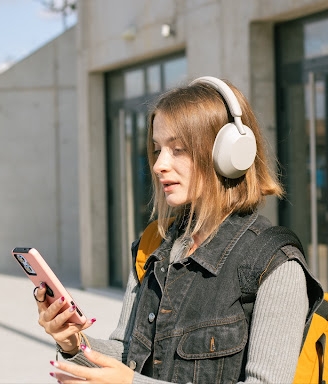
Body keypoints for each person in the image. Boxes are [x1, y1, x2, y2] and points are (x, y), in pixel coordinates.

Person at [34, 76, 310, 384]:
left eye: (177, 149)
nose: (158, 165)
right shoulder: (153, 245)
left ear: (230, 155)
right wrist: (74, 344)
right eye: (157, 149)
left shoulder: (274, 264)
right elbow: (126, 356)